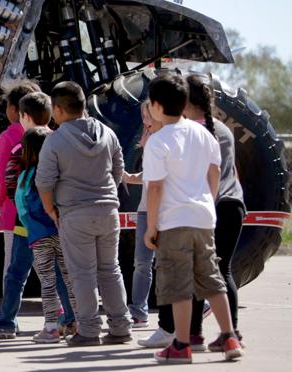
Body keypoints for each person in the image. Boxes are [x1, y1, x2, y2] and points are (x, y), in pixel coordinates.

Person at [139, 73, 247, 354]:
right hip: (204, 218)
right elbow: (215, 172)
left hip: (175, 220)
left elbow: (155, 189)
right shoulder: (205, 132)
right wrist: (207, 204)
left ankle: (183, 343)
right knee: (213, 279)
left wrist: (152, 227)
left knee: (179, 284)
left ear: (158, 106)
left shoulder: (158, 141)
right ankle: (229, 336)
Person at [35, 81, 131, 346]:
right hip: (108, 211)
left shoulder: (55, 141)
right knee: (111, 269)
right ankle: (120, 326)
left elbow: (44, 182)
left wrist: (50, 209)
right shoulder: (108, 133)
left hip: (75, 214)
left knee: (83, 274)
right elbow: (119, 169)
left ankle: (88, 331)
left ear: (58, 109)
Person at [0, 92, 76, 340]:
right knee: (59, 273)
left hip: (25, 221)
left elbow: (9, 181)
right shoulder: (60, 142)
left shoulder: (20, 146)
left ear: (24, 116)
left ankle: (6, 322)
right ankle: (71, 318)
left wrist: (5, 199)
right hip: (56, 220)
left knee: (16, 272)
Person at [15, 126, 79, 343]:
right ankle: (79, 324)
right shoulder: (58, 174)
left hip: (38, 237)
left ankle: (51, 327)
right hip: (62, 232)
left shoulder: (24, 176)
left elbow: (22, 207)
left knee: (48, 283)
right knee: (71, 280)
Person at [0, 81, 40, 289]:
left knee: (12, 268)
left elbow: (2, 175)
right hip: (43, 210)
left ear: (15, 110)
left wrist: (0, 198)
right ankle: (58, 312)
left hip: (14, 211)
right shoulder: (49, 134)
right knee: (48, 267)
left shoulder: (8, 136)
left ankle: (7, 317)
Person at [125, 102, 163, 328]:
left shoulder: (164, 139)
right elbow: (151, 176)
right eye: (143, 114)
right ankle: (139, 311)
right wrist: (132, 177)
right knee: (142, 263)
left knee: (165, 262)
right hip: (145, 208)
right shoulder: (150, 139)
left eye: (149, 113)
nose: (145, 118)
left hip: (161, 208)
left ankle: (200, 302)